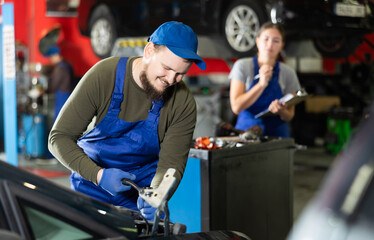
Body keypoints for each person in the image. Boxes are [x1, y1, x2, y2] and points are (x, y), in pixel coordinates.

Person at [48, 21, 206, 221]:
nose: (171, 79)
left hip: (140, 193)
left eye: (180, 74)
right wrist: (98, 176)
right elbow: (58, 138)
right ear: (149, 51)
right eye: (166, 68)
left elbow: (171, 165)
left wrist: (157, 196)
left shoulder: (182, 102)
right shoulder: (105, 76)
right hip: (91, 185)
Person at [229, 22, 300, 138]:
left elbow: (290, 115)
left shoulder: (288, 73)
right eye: (266, 39)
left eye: (276, 41)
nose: (270, 44)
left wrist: (281, 111)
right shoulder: (242, 66)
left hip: (277, 136)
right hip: (247, 133)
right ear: (257, 41)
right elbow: (236, 107)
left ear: (282, 45)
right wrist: (261, 84)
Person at [43, 45, 74, 121]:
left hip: (62, 100)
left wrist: (44, 91)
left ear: (56, 56)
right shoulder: (67, 66)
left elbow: (53, 86)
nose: (50, 59)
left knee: (59, 123)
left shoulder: (59, 69)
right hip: (68, 98)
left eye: (51, 56)